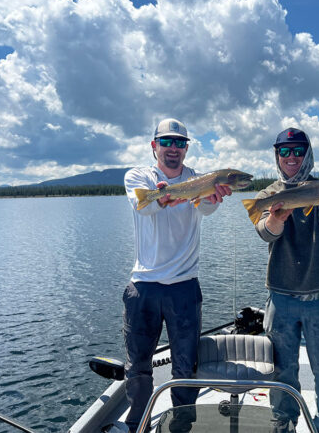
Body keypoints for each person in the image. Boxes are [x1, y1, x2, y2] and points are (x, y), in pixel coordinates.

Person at [122, 118, 232, 433]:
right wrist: (163, 197)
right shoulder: (138, 176)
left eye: (180, 143)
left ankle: (181, 427)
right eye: (167, 142)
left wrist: (214, 197)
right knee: (138, 367)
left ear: (186, 148)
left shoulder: (200, 179)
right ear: (154, 146)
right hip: (143, 287)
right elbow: (143, 207)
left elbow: (207, 209)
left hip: (184, 287)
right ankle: (137, 426)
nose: (173, 148)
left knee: (186, 366)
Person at [253, 127, 319, 433]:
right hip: (280, 297)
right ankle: (284, 426)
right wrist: (275, 219)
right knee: (282, 371)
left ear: (307, 153)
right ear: (277, 155)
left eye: (297, 150)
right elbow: (265, 233)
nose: (291, 157)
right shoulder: (268, 195)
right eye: (284, 151)